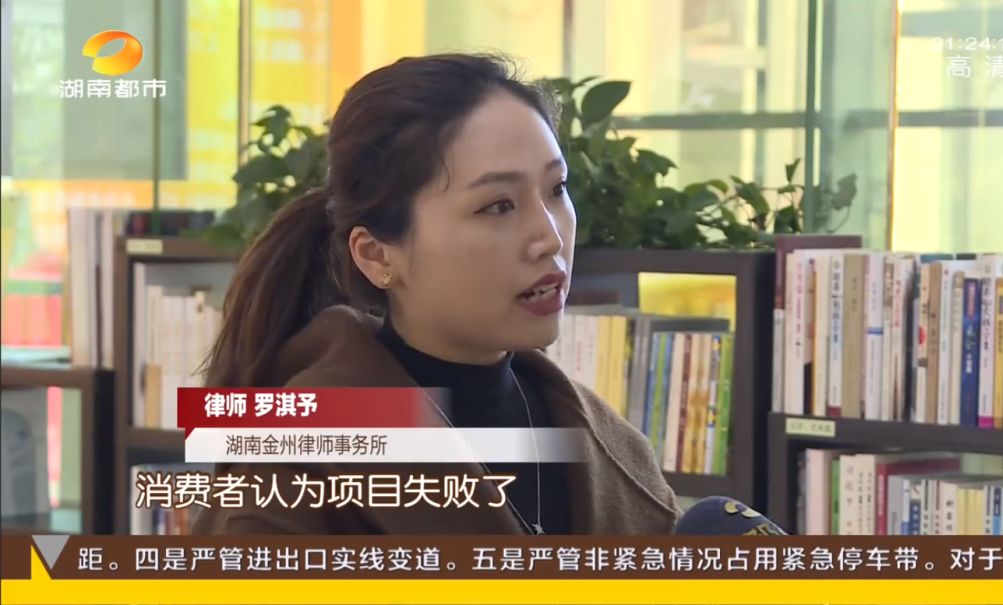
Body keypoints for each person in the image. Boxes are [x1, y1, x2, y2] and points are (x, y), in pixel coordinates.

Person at [191, 53, 678, 535]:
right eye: (498, 206)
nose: (550, 237)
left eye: (557, 188)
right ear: (377, 255)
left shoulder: (621, 455)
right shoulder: (291, 483)